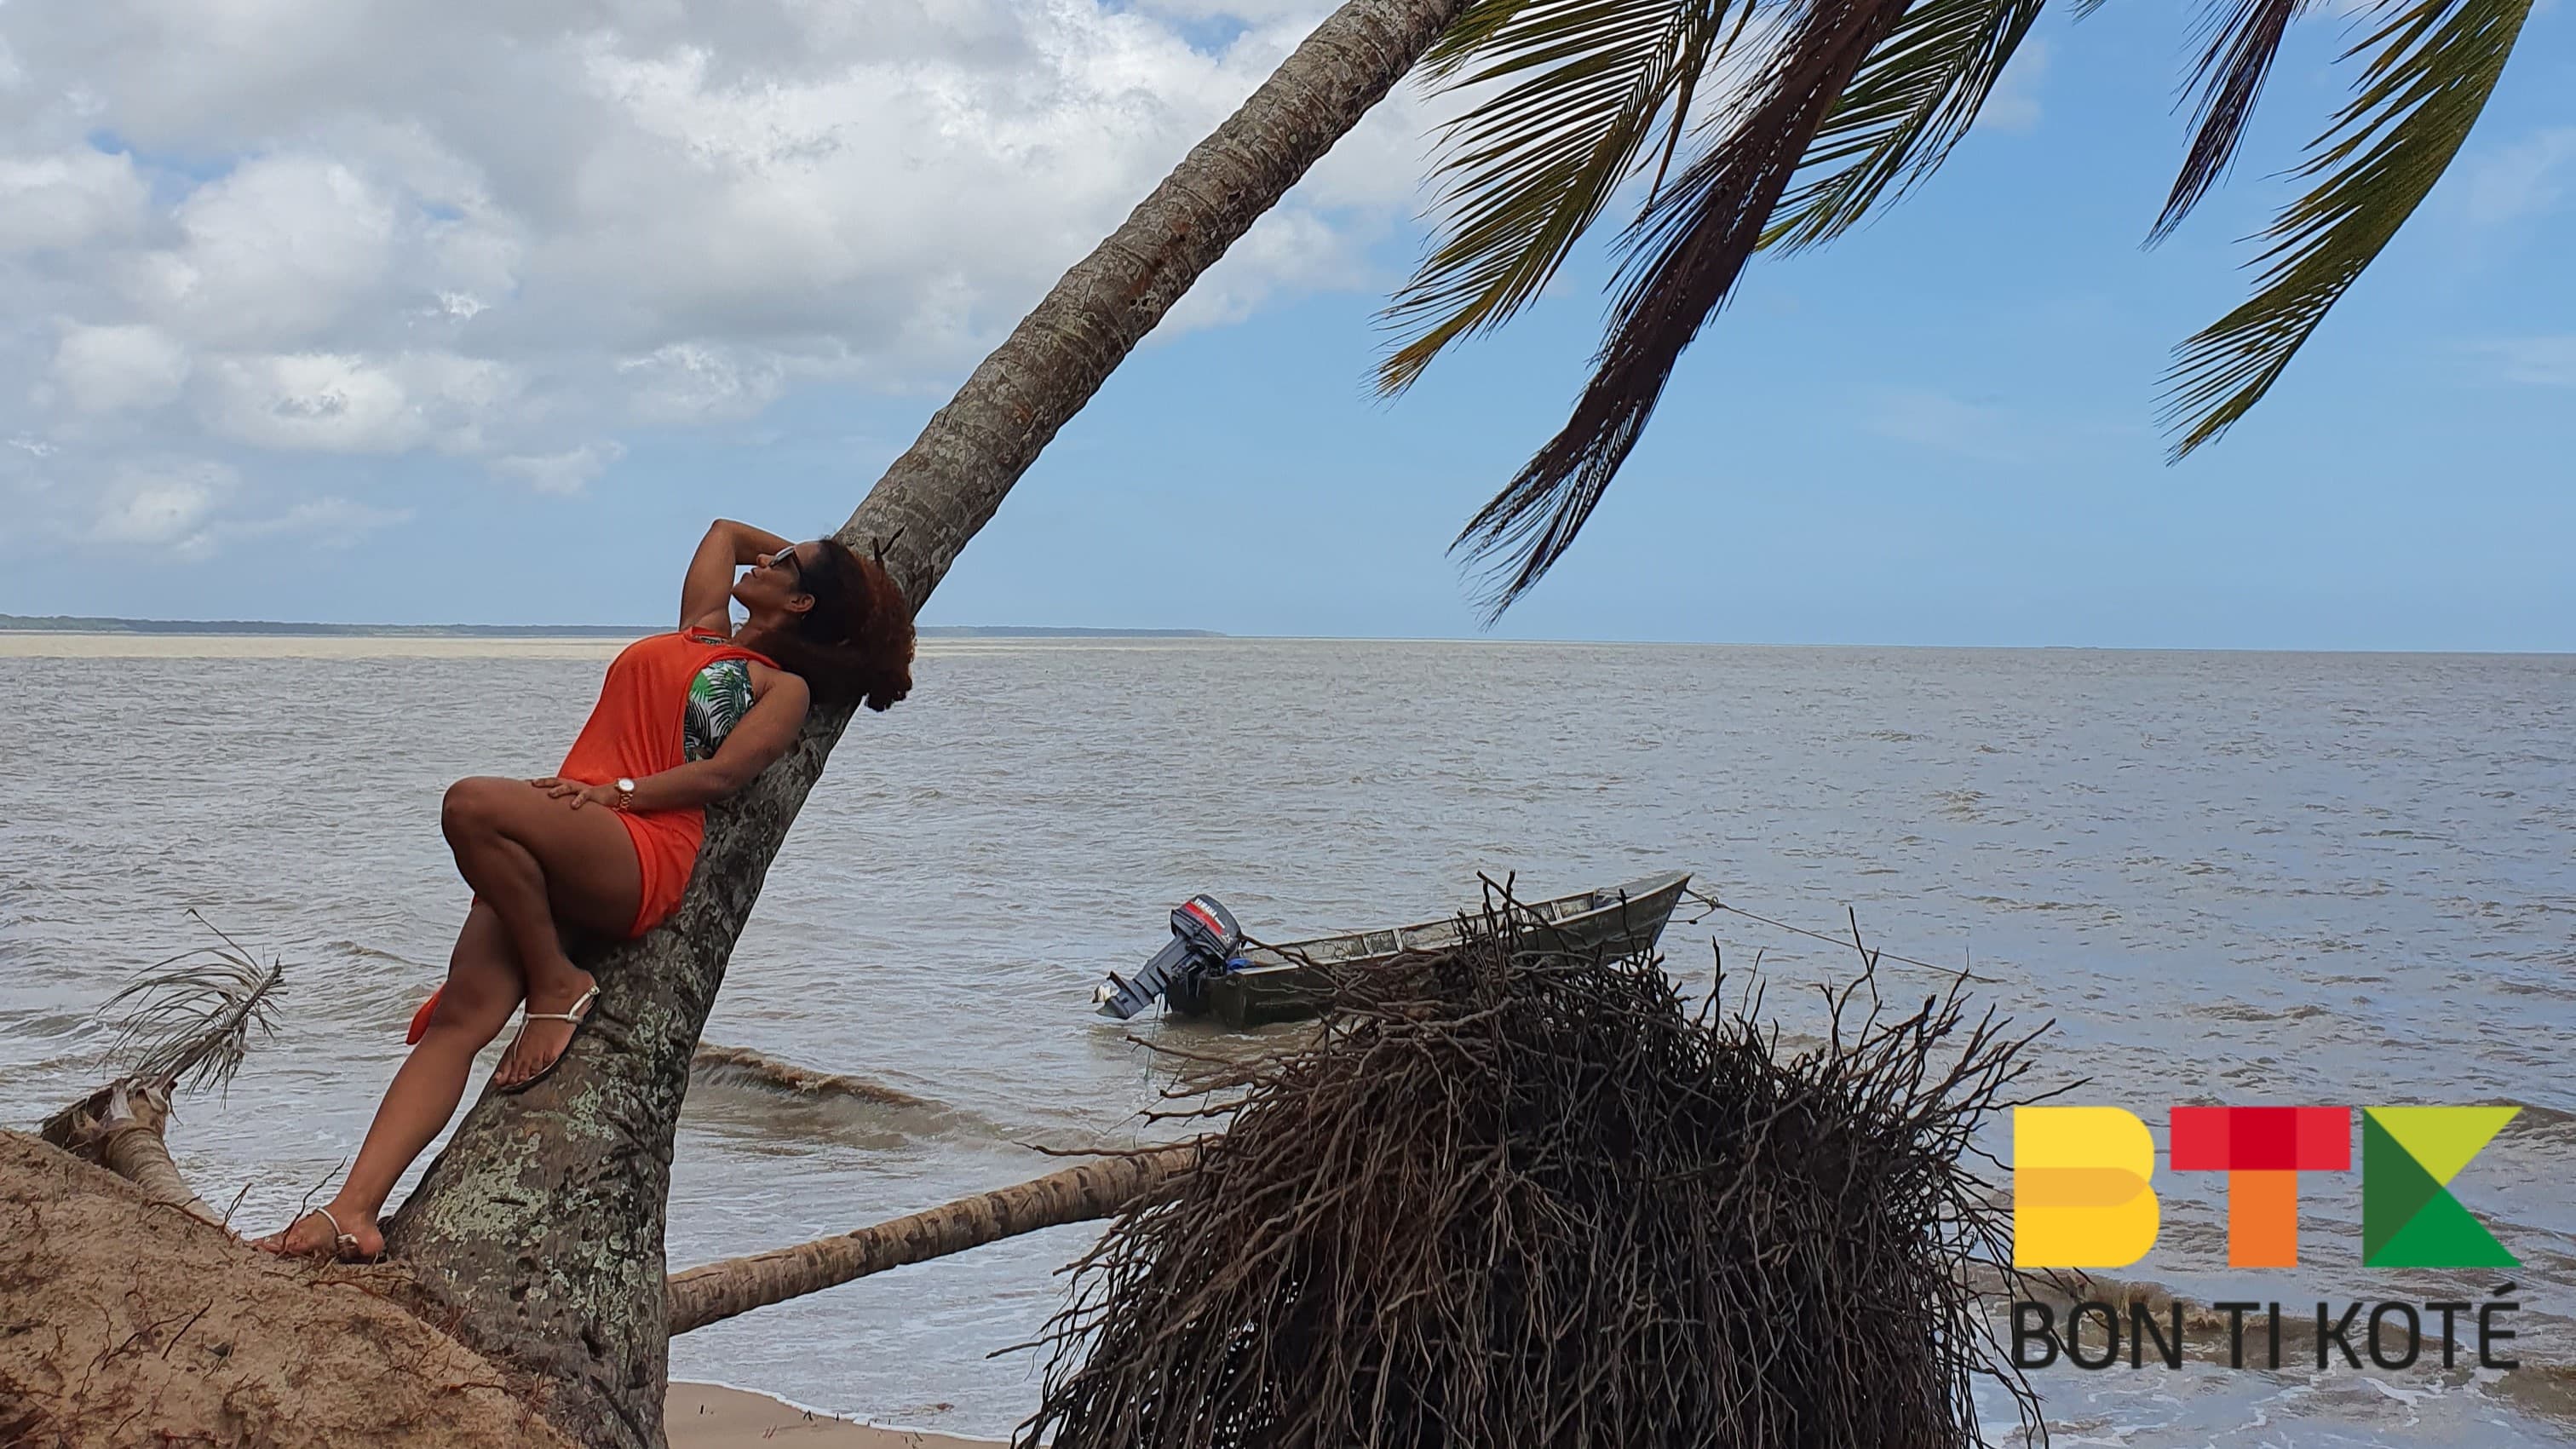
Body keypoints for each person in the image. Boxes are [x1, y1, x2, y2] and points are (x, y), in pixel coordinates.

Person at [253, 519, 914, 1260]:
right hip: (563, 834)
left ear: (800, 605)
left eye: (786, 562)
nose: (766, 556)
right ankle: (353, 1213)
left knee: (470, 804)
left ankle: (556, 983)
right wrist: (822, 563)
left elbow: (723, 775)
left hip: (638, 845)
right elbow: (725, 532)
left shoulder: (778, 686)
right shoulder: (701, 630)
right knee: (458, 1022)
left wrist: (622, 795)